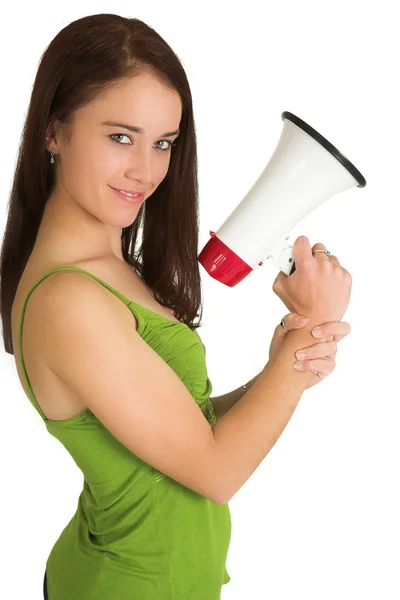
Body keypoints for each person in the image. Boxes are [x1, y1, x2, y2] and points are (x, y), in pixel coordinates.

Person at [0, 14, 352, 600]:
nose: (147, 169)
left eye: (163, 142)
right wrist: (298, 350)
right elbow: (214, 471)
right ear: (53, 131)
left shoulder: (111, 273)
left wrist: (280, 367)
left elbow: (179, 428)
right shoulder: (69, 302)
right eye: (120, 136)